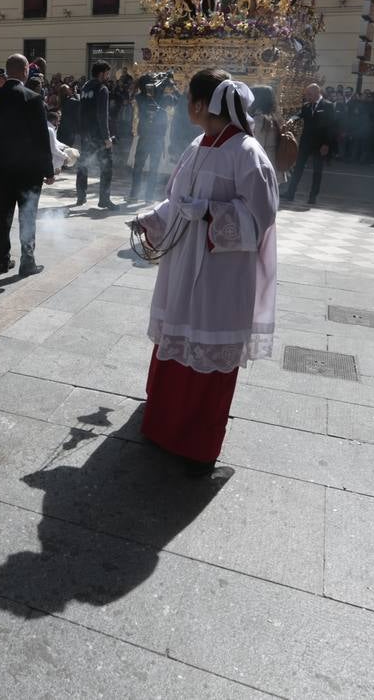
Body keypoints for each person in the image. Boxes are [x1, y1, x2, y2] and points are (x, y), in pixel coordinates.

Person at [133, 73, 278, 476]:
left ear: (200, 105)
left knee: (208, 353)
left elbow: (262, 218)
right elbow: (179, 201)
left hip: (220, 275)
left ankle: (197, 445)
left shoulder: (247, 152)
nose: (185, 107)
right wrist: (152, 218)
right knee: (176, 341)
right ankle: (163, 426)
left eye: (188, 100)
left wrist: (213, 213)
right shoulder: (197, 145)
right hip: (182, 268)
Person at [0, 54, 53, 276]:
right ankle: (27, 261)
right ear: (24, 72)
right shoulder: (33, 98)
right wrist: (48, 170)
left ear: (8, 72)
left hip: (2, 169)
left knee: (2, 215)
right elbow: (41, 139)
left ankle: (3, 260)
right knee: (27, 215)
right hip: (29, 170)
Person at [281, 83, 331, 204]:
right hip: (306, 143)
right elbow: (299, 115)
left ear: (316, 93)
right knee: (298, 168)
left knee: (317, 171)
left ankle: (313, 196)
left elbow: (331, 126)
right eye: (306, 94)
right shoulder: (307, 106)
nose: (307, 97)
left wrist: (326, 144)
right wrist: (291, 120)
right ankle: (290, 193)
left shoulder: (328, 106)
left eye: (309, 94)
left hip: (320, 144)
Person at [76, 61, 116, 209]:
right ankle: (104, 199)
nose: (108, 76)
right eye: (107, 73)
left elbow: (81, 111)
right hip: (98, 135)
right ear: (101, 73)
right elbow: (102, 114)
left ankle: (81, 196)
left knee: (83, 164)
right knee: (107, 166)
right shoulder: (102, 89)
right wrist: (106, 137)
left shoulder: (85, 86)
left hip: (86, 133)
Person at [130, 74, 171, 203]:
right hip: (157, 138)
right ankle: (148, 197)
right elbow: (175, 100)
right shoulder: (162, 98)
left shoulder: (139, 98)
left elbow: (136, 116)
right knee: (153, 168)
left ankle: (134, 195)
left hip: (145, 137)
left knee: (138, 167)